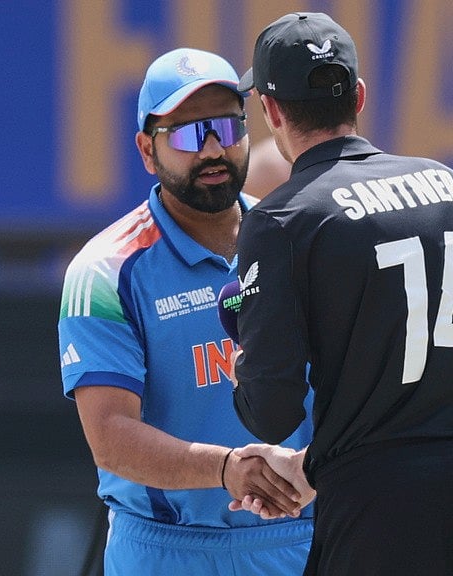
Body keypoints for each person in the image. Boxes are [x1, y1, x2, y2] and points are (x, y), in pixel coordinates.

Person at [229, 13, 453, 575]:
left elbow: (272, 412)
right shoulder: (451, 187)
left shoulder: (282, 218)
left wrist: (243, 365)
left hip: (381, 515)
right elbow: (423, 387)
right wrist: (315, 468)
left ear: (272, 111)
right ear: (358, 95)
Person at [57, 47, 313, 576]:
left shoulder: (300, 241)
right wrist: (226, 470)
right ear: (147, 152)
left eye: (226, 125)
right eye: (188, 134)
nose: (214, 148)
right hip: (166, 552)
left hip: (305, 541)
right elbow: (109, 437)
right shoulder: (106, 270)